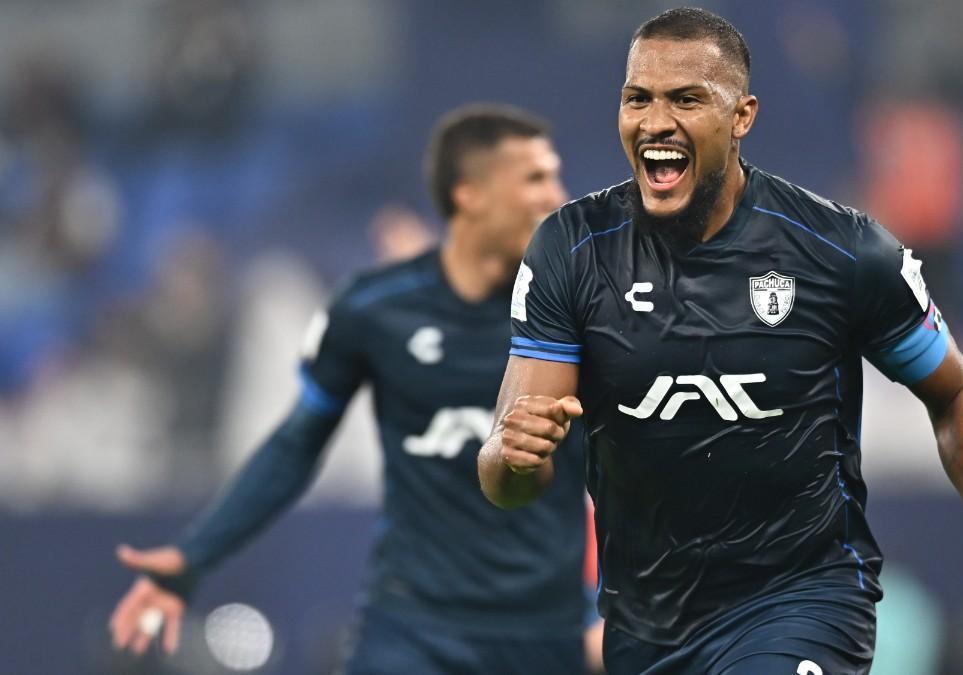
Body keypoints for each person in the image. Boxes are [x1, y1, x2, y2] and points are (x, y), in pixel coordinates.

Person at [479, 8, 963, 674]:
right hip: (648, 628)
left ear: (742, 115)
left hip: (803, 602)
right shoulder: (571, 252)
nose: (656, 121)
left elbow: (958, 395)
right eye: (638, 98)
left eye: (686, 99)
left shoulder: (841, 252)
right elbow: (508, 474)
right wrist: (511, 457)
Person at [109, 103, 600, 674]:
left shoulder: (569, 317)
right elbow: (295, 444)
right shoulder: (374, 312)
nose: (553, 196)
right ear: (470, 196)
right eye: (534, 180)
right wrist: (196, 554)